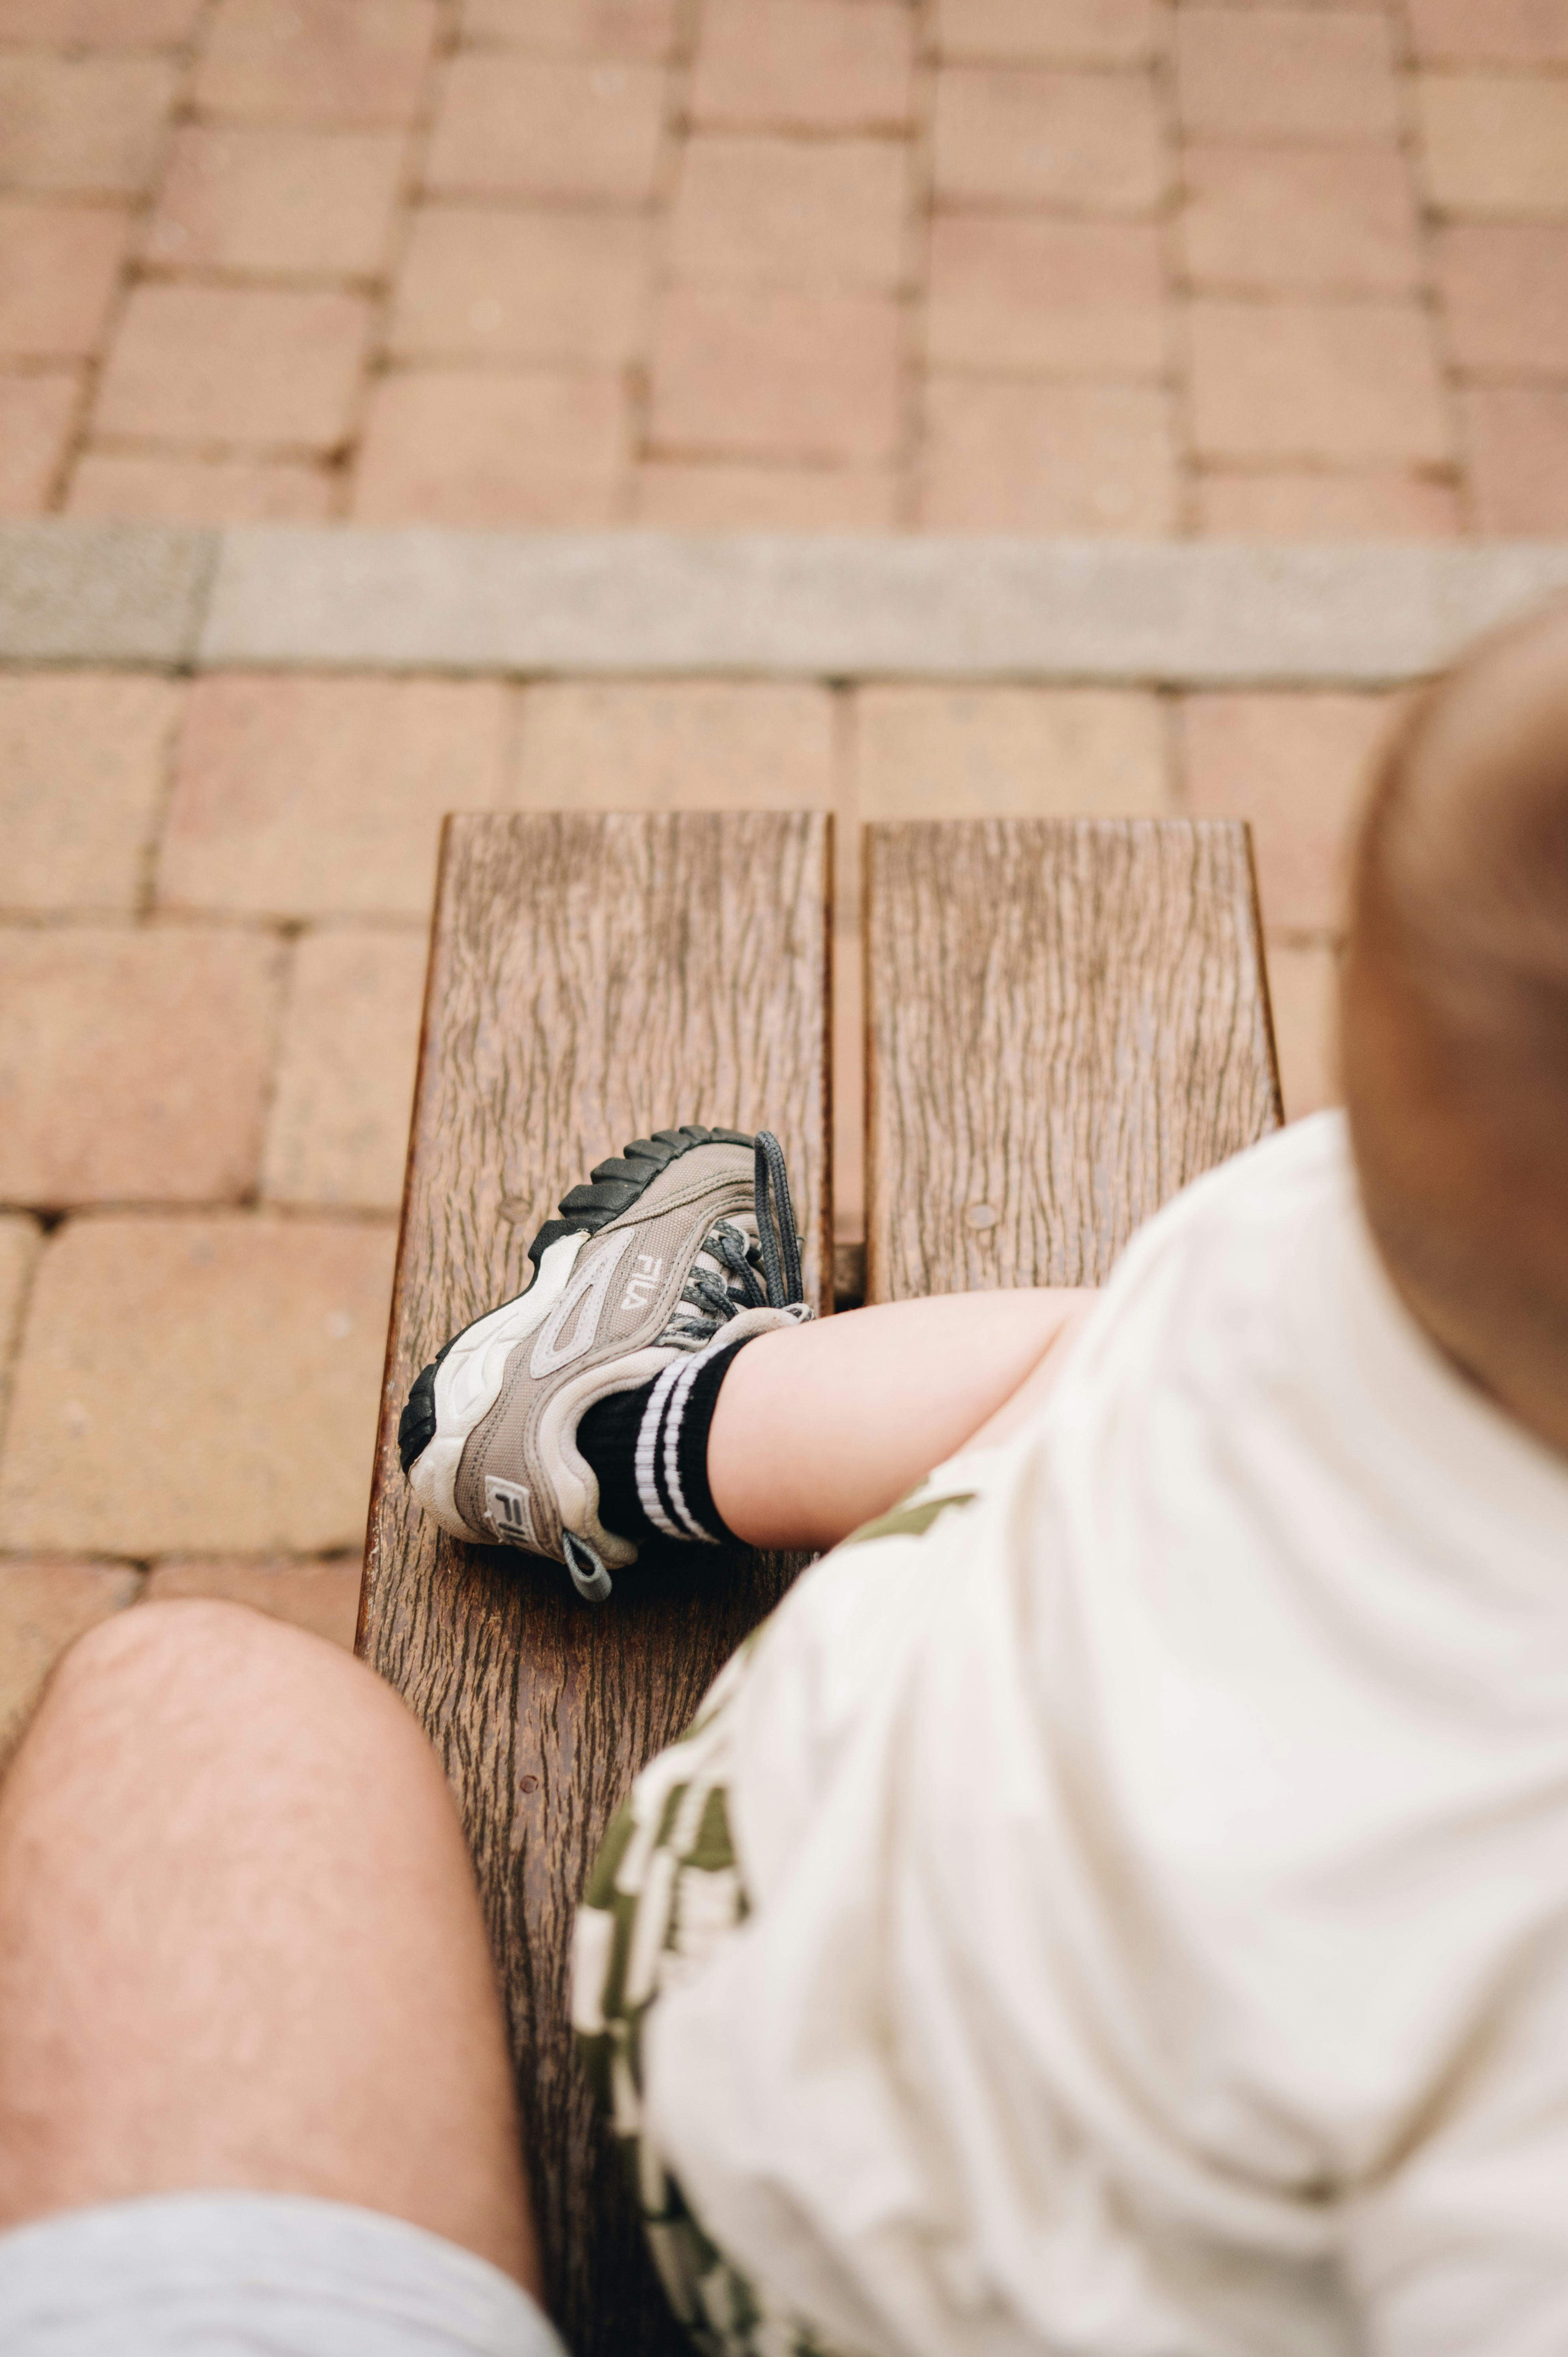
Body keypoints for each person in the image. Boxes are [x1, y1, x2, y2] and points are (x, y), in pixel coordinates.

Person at [3, 599, 1567, 2357]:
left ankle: (624, 1423)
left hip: (729, 1923)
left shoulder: (1299, 1218)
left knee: (1119, 1344)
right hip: (883, 2302)